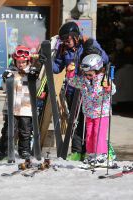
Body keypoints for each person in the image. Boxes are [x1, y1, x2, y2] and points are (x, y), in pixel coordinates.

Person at [39, 21, 109, 161]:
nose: (66, 42)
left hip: (91, 91)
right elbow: (57, 68)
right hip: (73, 89)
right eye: (63, 40)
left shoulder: (88, 44)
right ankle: (77, 151)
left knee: (91, 122)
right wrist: (46, 61)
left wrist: (93, 49)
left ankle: (93, 150)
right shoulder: (64, 50)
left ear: (76, 37)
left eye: (68, 39)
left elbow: (105, 59)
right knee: (76, 122)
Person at [66, 54, 116, 164]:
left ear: (97, 70)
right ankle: (91, 154)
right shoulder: (84, 81)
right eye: (85, 74)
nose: (87, 76)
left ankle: (101, 155)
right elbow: (72, 81)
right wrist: (70, 73)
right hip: (89, 113)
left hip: (102, 113)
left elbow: (113, 90)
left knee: (98, 134)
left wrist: (108, 88)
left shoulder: (104, 78)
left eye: (89, 74)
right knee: (89, 134)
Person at [0, 45, 38, 160]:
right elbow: (4, 88)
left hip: (26, 107)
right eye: (18, 62)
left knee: (25, 131)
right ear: (15, 61)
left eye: (23, 62)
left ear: (28, 61)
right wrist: (5, 79)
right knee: (8, 131)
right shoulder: (10, 72)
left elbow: (36, 88)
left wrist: (34, 78)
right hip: (12, 107)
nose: (21, 64)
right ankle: (4, 151)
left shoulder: (31, 73)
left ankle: (24, 150)